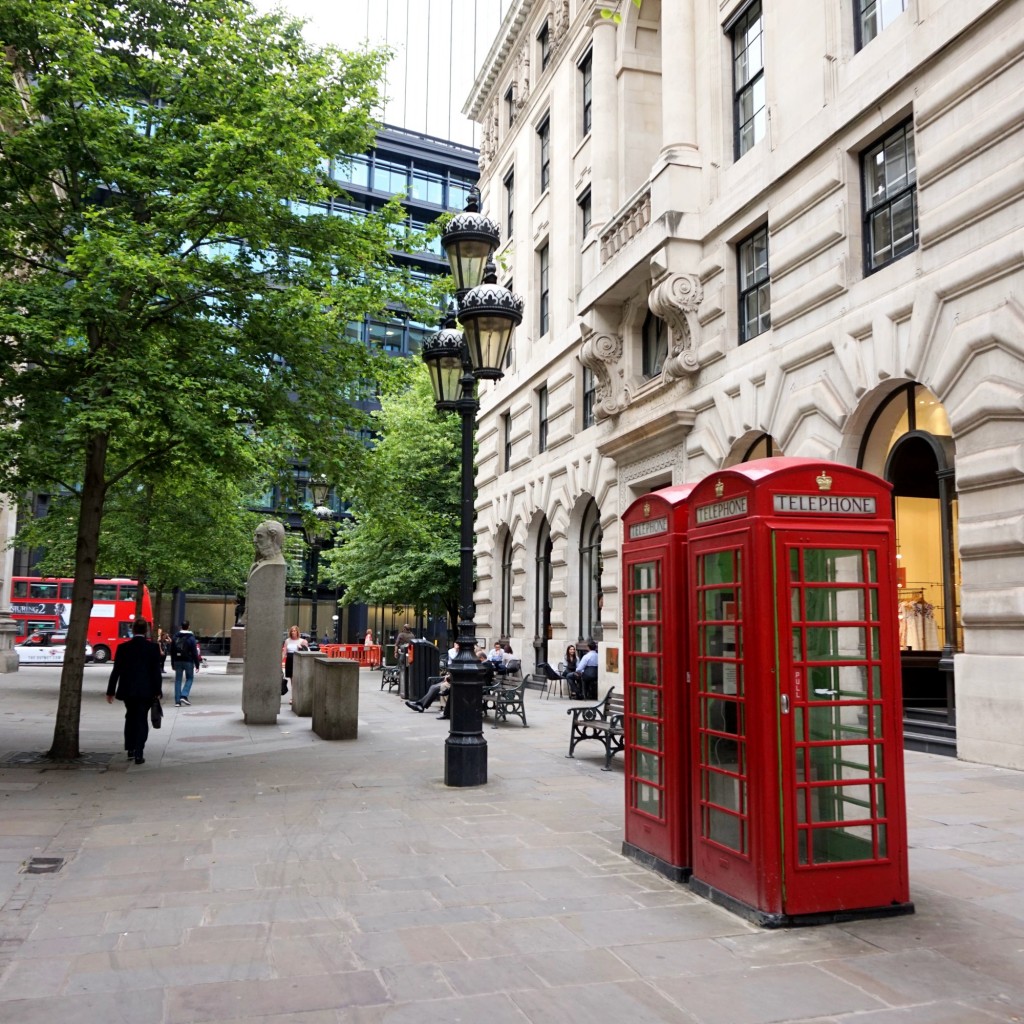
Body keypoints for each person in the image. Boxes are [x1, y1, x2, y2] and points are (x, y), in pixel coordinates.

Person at [105, 618, 162, 765]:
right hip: (146, 690)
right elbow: (156, 672)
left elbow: (116, 670)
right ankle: (139, 752)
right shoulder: (153, 648)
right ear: (146, 631)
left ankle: (130, 748)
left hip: (128, 690)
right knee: (142, 719)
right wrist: (157, 690)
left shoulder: (123, 648)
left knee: (130, 717)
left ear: (133, 630)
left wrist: (111, 690)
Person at [170, 619, 201, 707]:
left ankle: (177, 701)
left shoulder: (176, 637)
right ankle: (184, 695)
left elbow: (172, 651)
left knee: (178, 680)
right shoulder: (191, 638)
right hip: (188, 661)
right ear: (189, 627)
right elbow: (194, 652)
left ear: (181, 627)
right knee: (190, 678)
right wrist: (197, 664)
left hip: (177, 660)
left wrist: (172, 663)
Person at [282, 625, 309, 691]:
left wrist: (301, 647)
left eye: (294, 631)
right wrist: (280, 660)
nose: (293, 632)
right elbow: (284, 651)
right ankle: (293, 696)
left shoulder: (303, 641)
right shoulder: (287, 641)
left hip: (298, 659)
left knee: (297, 677)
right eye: (292, 631)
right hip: (289, 659)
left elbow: (306, 652)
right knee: (292, 678)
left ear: (297, 632)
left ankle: (298, 693)